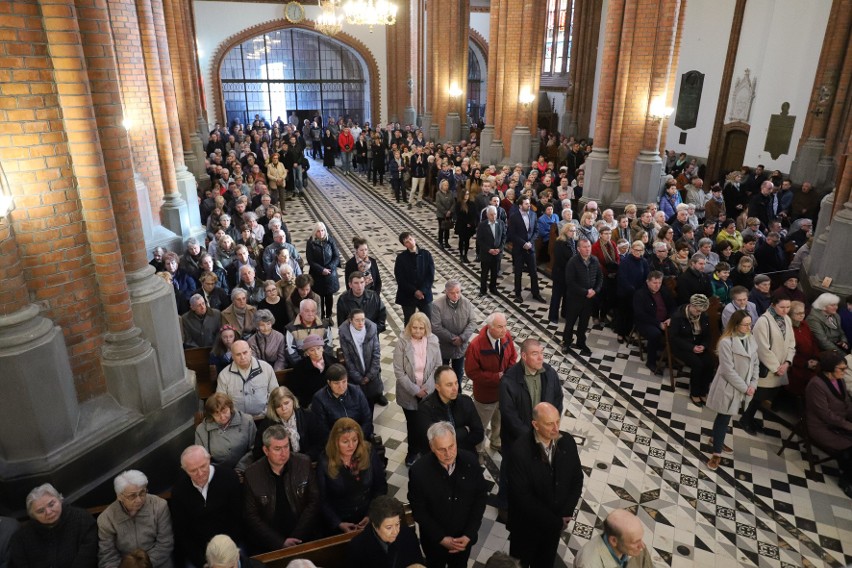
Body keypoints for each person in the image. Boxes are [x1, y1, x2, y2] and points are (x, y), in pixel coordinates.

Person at [507, 402, 583, 568]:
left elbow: (577, 479)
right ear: (535, 424)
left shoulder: (567, 442)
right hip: (526, 528)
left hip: (553, 527)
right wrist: (556, 521)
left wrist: (566, 512)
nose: (556, 428)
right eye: (549, 423)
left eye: (558, 421)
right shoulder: (519, 452)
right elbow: (523, 498)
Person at [408, 422, 487, 568]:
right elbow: (419, 511)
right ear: (432, 447)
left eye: (451, 446)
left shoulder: (470, 461)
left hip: (463, 539)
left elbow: (480, 497)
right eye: (442, 449)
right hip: (434, 542)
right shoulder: (419, 472)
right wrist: (441, 538)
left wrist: (469, 534)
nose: (448, 453)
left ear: (456, 442)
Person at [243, 426, 319, 554]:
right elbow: (251, 516)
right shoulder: (252, 474)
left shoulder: (303, 463)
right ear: (266, 450)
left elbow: (314, 501)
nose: (284, 453)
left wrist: (297, 537)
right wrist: (279, 542)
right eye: (277, 449)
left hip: (303, 536)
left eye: (286, 446)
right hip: (269, 542)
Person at [169, 446, 242, 568]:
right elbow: (182, 532)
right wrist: (202, 562)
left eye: (203, 466)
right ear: (185, 470)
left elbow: (239, 519)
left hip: (230, 543)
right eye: (193, 470)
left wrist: (226, 552)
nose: (200, 473)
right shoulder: (179, 491)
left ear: (209, 460)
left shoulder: (229, 477)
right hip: (198, 550)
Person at [704, 310, 759, 470]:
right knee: (724, 416)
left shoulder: (750, 338)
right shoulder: (726, 342)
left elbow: (755, 363)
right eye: (746, 324)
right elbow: (728, 371)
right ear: (735, 325)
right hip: (728, 386)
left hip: (745, 386)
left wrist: (753, 384)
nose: (749, 327)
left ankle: (715, 439)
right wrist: (745, 387)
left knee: (725, 416)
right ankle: (716, 453)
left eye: (750, 324)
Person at [317, 418, 388, 534]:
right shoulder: (325, 461)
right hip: (340, 518)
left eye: (355, 440)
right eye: (345, 442)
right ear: (335, 442)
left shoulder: (368, 451)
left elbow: (380, 487)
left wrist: (371, 514)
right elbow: (322, 500)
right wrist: (338, 523)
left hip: (368, 512)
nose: (351, 445)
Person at [740, 295, 796, 435]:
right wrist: (777, 367)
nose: (785, 310)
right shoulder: (763, 321)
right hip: (767, 367)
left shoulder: (787, 319)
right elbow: (762, 348)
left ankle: (751, 419)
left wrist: (787, 363)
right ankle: (745, 419)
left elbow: (791, 343)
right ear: (773, 305)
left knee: (765, 396)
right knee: (757, 395)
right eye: (782, 307)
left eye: (788, 307)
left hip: (781, 367)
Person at [8, 483, 97, 568]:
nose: (48, 512)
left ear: (60, 499)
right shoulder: (22, 538)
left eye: (51, 504)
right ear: (32, 515)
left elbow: (88, 559)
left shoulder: (82, 520)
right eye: (40, 511)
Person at [393, 312, 442, 466]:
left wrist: (427, 388)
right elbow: (399, 371)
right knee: (413, 425)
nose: (418, 331)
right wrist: (415, 390)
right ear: (409, 327)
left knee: (427, 424)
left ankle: (426, 451)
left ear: (426, 328)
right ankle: (412, 452)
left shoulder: (433, 340)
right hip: (409, 393)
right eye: (414, 328)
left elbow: (438, 366)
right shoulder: (402, 342)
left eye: (421, 328)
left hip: (429, 391)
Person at [97, 470, 174, 568]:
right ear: (120, 496)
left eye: (142, 493)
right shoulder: (106, 518)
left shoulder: (159, 506)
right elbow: (107, 555)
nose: (139, 499)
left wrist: (144, 565)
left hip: (157, 563)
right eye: (132, 496)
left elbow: (165, 544)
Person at [465, 312, 517, 455]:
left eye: (505, 326)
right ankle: (477, 450)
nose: (504, 330)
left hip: (503, 392)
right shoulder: (476, 345)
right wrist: (496, 377)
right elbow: (472, 372)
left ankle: (496, 441)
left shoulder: (506, 337)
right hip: (485, 395)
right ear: (490, 327)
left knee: (499, 419)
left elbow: (513, 355)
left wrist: (508, 373)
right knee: (481, 425)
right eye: (500, 327)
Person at [805, 352, 852, 498]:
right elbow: (825, 415)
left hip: (838, 423)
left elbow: (847, 404)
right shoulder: (816, 385)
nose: (844, 372)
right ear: (829, 369)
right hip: (822, 427)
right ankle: (846, 480)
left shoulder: (840, 381)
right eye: (841, 369)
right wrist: (849, 426)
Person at [417, 366, 484, 454]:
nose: (455, 388)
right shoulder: (425, 409)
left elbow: (479, 434)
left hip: (465, 456)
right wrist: (464, 431)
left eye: (456, 383)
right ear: (438, 387)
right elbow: (430, 443)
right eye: (449, 385)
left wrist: (454, 447)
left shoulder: (466, 401)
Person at [346, 495, 425, 568]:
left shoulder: (408, 534)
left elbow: (418, 562)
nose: (395, 532)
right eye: (389, 527)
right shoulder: (358, 547)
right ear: (375, 525)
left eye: (397, 524)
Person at [253, 386, 324, 462]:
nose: (284, 408)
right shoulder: (267, 424)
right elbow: (259, 452)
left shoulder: (308, 416)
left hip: (307, 461)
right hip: (280, 465)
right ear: (273, 408)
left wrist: (304, 459)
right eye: (278, 406)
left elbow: (319, 445)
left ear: (293, 400)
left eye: (286, 403)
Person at [668, 294, 714, 406]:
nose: (699, 313)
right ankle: (694, 393)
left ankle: (703, 391)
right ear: (691, 306)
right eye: (697, 311)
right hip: (682, 347)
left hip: (698, 345)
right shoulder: (678, 316)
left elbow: (707, 335)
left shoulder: (704, 315)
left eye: (701, 311)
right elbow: (674, 338)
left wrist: (703, 345)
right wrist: (691, 347)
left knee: (710, 363)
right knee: (698, 364)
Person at [195, 393, 256, 474]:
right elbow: (202, 459)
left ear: (230, 408)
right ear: (211, 415)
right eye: (217, 414)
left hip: (246, 470)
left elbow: (254, 448)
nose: (222, 417)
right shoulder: (201, 430)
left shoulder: (247, 421)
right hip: (218, 474)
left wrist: (240, 469)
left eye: (224, 411)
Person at [216, 339, 278, 419]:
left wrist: (267, 413)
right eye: (238, 354)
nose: (242, 357)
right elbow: (221, 402)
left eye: (245, 352)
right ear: (232, 356)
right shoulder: (224, 375)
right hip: (237, 421)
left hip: (265, 417)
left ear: (250, 351)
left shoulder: (266, 368)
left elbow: (275, 394)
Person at [310, 363, 374, 439]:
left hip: (359, 436)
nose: (341, 386)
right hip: (335, 440)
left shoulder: (356, 391)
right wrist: (343, 441)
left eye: (344, 381)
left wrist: (358, 438)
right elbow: (322, 429)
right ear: (329, 383)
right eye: (336, 383)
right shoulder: (319, 399)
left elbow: (367, 418)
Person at [338, 308, 386, 409]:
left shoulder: (372, 329)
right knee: (358, 403)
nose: (361, 323)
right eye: (357, 320)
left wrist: (369, 375)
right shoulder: (344, 332)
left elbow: (376, 354)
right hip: (356, 375)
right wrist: (358, 377)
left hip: (371, 373)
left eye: (363, 319)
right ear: (351, 320)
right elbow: (347, 358)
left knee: (371, 401)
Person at [562, 238, 602, 356]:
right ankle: (566, 343)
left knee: (584, 322)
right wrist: (585, 291)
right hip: (575, 298)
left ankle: (581, 342)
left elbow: (600, 278)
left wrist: (595, 290)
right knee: (570, 322)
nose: (587, 249)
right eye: (584, 247)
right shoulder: (572, 262)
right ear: (579, 249)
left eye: (589, 246)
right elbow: (570, 282)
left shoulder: (594, 260)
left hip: (589, 299)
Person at [573, 509, 653, 568]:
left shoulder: (637, 547)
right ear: (614, 541)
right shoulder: (589, 564)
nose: (642, 546)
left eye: (640, 539)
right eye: (635, 542)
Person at [430, 281, 477, 381]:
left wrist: (462, 338)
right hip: (444, 347)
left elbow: (472, 322)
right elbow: (436, 327)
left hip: (460, 347)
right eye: (452, 293)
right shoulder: (437, 305)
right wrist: (452, 338)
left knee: (458, 374)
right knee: (442, 374)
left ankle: (457, 394)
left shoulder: (466, 303)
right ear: (446, 292)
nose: (456, 295)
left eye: (458, 292)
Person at [632, 271, 676, 376]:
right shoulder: (640, 294)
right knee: (655, 334)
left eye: (659, 283)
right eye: (654, 283)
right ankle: (651, 362)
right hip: (646, 322)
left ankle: (671, 355)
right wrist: (658, 323)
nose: (657, 286)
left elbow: (673, 306)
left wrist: (670, 318)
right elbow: (640, 314)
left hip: (665, 320)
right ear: (648, 282)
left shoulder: (664, 291)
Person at [508, 197, 545, 303]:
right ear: (520, 205)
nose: (528, 205)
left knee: (534, 272)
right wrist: (523, 243)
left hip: (531, 248)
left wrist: (530, 242)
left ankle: (536, 293)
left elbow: (536, 231)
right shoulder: (514, 217)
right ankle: (518, 294)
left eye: (529, 204)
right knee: (518, 272)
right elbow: (512, 234)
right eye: (526, 204)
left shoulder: (533, 214)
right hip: (519, 249)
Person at [394, 231, 435, 324]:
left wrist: (422, 290)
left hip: (424, 295)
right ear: (404, 245)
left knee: (427, 321)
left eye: (410, 239)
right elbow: (400, 278)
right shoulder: (401, 258)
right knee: (409, 322)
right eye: (407, 242)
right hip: (407, 295)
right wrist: (414, 291)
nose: (410, 242)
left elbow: (430, 275)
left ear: (414, 239)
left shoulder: (426, 254)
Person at [290, 334, 340, 408]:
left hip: (334, 401)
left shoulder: (334, 363)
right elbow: (297, 392)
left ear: (323, 348)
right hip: (312, 404)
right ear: (307, 353)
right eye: (312, 350)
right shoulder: (300, 367)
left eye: (318, 348)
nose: (316, 352)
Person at [283, 298, 334, 366]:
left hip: (322, 363)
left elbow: (328, 346)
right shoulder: (291, 328)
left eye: (313, 311)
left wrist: (321, 362)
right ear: (300, 311)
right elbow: (290, 350)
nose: (310, 314)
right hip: (301, 366)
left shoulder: (324, 325)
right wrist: (302, 365)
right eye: (307, 311)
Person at [305, 222, 340, 320]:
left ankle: (329, 316)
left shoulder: (330, 240)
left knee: (329, 297)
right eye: (318, 231)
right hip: (317, 274)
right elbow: (310, 260)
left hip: (330, 275)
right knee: (319, 298)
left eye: (323, 230)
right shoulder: (311, 242)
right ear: (315, 232)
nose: (321, 233)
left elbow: (336, 256)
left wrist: (330, 268)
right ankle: (321, 316)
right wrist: (321, 270)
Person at [788, 301, 821, 397]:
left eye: (803, 312)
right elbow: (788, 352)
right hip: (797, 365)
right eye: (798, 313)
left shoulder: (804, 324)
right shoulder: (788, 329)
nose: (802, 315)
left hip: (811, 360)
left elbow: (813, 341)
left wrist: (815, 358)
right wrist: (805, 364)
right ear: (790, 313)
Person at [549, 223, 577, 322]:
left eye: (574, 231)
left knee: (567, 295)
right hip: (560, 273)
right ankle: (553, 316)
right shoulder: (560, 242)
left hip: (570, 275)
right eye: (571, 231)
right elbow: (560, 260)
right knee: (557, 296)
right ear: (565, 231)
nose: (573, 233)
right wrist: (572, 267)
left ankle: (565, 313)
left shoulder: (574, 241)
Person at [477, 205, 507, 296]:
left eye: (495, 214)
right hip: (486, 254)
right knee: (484, 273)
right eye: (491, 215)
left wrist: (500, 249)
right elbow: (479, 240)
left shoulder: (501, 223)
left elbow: (504, 237)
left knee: (495, 273)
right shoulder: (482, 225)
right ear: (487, 215)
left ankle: (493, 288)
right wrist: (489, 249)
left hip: (497, 254)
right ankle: (483, 290)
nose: (493, 216)